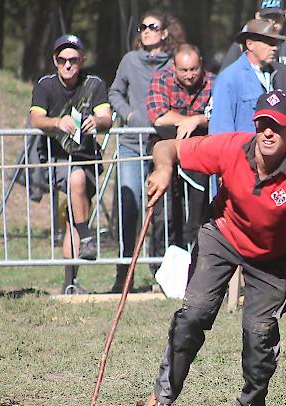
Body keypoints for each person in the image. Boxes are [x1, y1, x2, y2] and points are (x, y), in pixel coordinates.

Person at [141, 90, 286, 406]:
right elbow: (166, 146)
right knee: (194, 315)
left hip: (270, 258)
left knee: (259, 335)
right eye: (262, 122)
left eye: (276, 126)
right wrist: (163, 170)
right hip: (221, 236)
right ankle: (162, 397)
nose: (266, 132)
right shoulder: (232, 147)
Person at [30, 34, 113, 294]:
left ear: (82, 60)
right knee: (76, 182)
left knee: (72, 219)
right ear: (54, 60)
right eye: (62, 59)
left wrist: (96, 123)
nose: (68, 65)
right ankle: (88, 237)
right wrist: (57, 122)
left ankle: (69, 283)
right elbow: (36, 119)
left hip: (88, 157)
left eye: (73, 60)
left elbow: (107, 117)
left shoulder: (94, 83)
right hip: (56, 159)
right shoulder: (45, 85)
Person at [108, 11, 177, 292]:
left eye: (153, 27)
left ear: (164, 34)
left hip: (163, 146)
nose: (146, 31)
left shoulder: (174, 64)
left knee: (165, 211)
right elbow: (114, 93)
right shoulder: (130, 60)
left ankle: (164, 275)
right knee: (129, 210)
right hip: (131, 146)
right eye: (143, 27)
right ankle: (123, 274)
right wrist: (129, 114)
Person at [146, 44, 215, 254]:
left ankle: (197, 260)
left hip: (200, 153)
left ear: (201, 63)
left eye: (194, 69)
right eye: (184, 70)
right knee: (165, 211)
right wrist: (189, 122)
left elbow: (220, 113)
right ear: (174, 67)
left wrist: (197, 120)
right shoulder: (161, 79)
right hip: (165, 149)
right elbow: (158, 115)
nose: (190, 75)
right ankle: (160, 263)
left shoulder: (214, 81)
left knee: (200, 211)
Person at [209, 18, 286, 135]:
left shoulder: (284, 74)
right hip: (243, 152)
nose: (275, 48)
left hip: (279, 151)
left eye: (276, 43)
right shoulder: (228, 78)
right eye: (269, 42)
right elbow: (220, 132)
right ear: (250, 44)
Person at [219, 0, 286, 71]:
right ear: (257, 17)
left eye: (276, 17)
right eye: (266, 18)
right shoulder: (242, 45)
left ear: (285, 15)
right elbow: (225, 78)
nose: (272, 22)